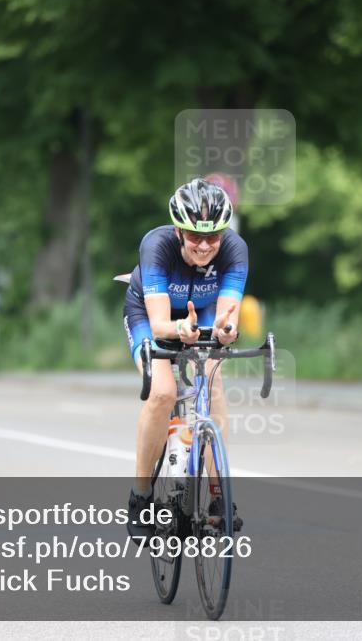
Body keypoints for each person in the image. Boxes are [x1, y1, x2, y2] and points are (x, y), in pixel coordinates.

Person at [122, 178, 246, 536]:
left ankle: (219, 496)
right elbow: (160, 323)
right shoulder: (156, 245)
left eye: (213, 237)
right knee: (163, 393)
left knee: (214, 379)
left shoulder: (235, 249)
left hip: (202, 312)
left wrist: (226, 330)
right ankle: (141, 496)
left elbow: (228, 318)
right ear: (178, 231)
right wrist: (179, 331)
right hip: (149, 315)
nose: (205, 246)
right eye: (195, 237)